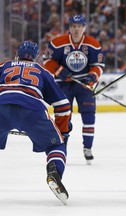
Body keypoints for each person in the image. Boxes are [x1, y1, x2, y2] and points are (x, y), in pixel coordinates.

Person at [0, 41, 72, 205]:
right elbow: (63, 105)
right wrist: (63, 130)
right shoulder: (42, 71)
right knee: (56, 146)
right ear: (36, 57)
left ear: (17, 54)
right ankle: (54, 172)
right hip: (32, 110)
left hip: (1, 106)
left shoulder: (4, 65)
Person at [43, 15, 105, 165]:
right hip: (63, 84)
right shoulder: (57, 43)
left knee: (89, 116)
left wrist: (92, 76)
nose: (76, 29)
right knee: (64, 116)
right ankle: (61, 148)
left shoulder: (93, 44)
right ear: (69, 27)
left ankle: (88, 148)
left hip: (84, 85)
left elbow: (99, 65)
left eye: (79, 26)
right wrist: (58, 70)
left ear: (84, 27)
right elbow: (47, 60)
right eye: (73, 26)